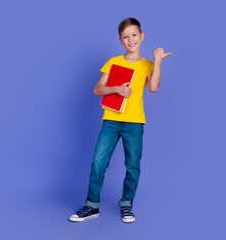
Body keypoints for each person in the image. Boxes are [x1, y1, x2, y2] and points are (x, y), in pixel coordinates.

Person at [69, 17, 172, 223]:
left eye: (134, 35)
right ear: (120, 40)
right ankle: (92, 206)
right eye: (125, 37)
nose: (130, 39)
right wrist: (117, 89)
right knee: (98, 162)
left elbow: (153, 87)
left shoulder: (147, 65)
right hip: (111, 121)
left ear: (142, 36)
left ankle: (127, 203)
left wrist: (158, 60)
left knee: (133, 165)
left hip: (134, 123)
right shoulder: (114, 62)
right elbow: (97, 89)